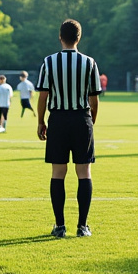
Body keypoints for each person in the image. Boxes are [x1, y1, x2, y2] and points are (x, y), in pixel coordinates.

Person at [37, 19, 102, 238]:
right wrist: (90, 121)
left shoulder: (49, 62)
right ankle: (82, 227)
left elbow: (43, 96)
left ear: (60, 36)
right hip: (81, 118)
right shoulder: (89, 62)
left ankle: (59, 226)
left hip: (58, 119)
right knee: (84, 172)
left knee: (58, 172)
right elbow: (94, 99)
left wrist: (40, 121)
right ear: (79, 37)